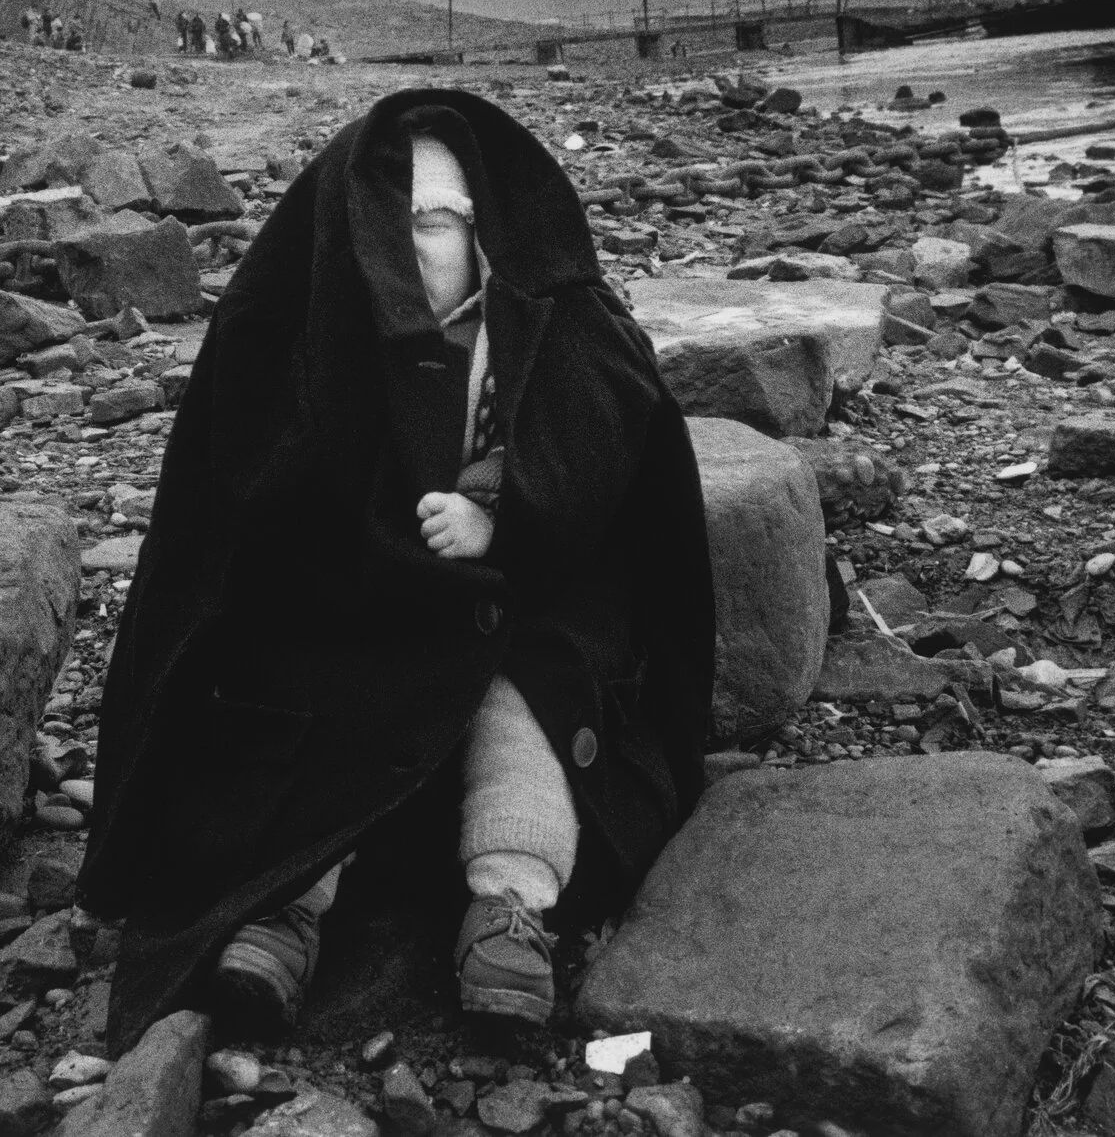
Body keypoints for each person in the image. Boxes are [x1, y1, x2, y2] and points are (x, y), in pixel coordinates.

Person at [80, 90, 714, 1051]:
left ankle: (509, 905)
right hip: (361, 609)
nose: (420, 243)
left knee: (528, 707)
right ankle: (286, 905)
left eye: (445, 221)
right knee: (324, 694)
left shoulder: (551, 330)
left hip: (517, 606)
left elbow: (610, 462)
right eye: (400, 220)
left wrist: (508, 517)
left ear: (486, 230)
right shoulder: (303, 332)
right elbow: (243, 511)